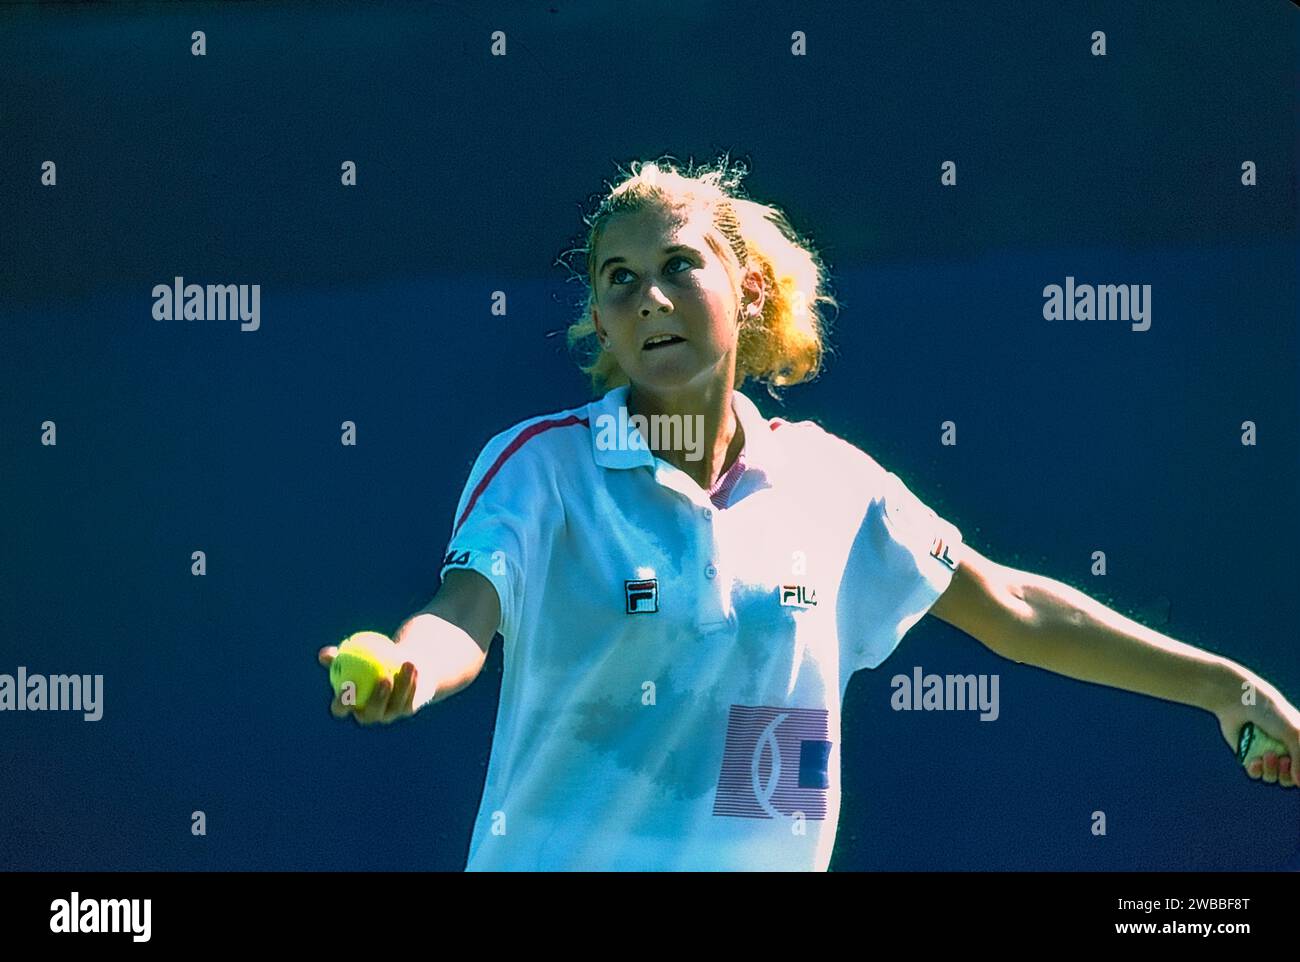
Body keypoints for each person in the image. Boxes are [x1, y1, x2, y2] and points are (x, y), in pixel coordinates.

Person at [319, 156, 1300, 871]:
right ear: (604, 322)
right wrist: (414, 666)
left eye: (675, 265)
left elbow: (1016, 609)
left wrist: (1227, 685)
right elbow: (462, 612)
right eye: (618, 280)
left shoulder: (831, 483)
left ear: (744, 287)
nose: (648, 295)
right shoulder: (544, 464)